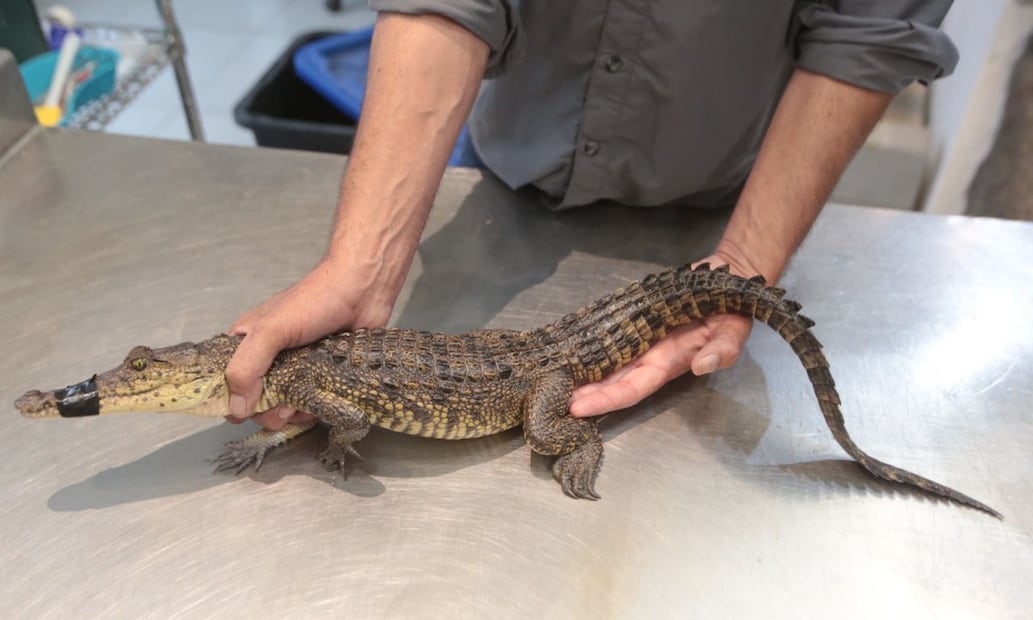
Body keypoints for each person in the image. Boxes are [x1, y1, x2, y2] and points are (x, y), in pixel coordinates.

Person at [224, 2, 958, 430]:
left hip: (721, 189)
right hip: (509, 170)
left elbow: (869, 27)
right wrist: (361, 263)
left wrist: (746, 254)